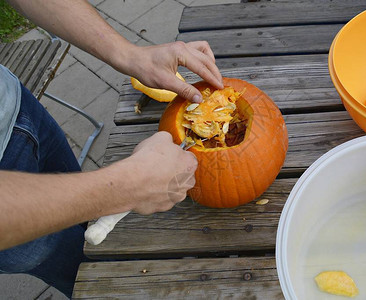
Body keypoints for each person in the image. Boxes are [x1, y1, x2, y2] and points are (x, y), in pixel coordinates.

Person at [0, 0, 223, 297]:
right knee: (91, 276)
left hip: (15, 109)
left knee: (82, 218)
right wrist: (124, 187)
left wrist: (129, 55)